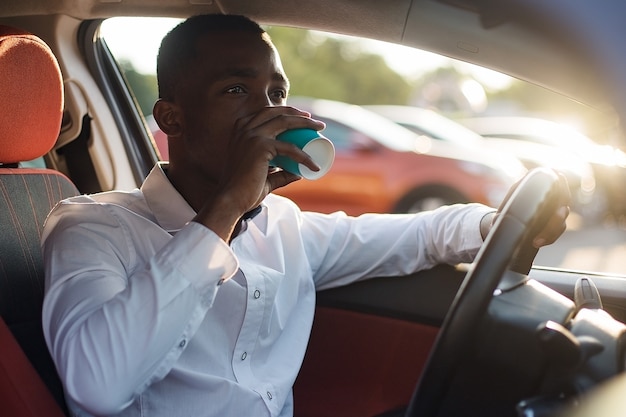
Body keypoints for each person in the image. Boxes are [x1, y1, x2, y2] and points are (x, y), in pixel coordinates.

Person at [41, 13, 569, 417]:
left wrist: (498, 223)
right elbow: (97, 386)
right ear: (171, 117)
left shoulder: (284, 225)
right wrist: (227, 206)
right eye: (235, 90)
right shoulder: (91, 227)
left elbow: (421, 235)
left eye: (276, 93)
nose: (267, 112)